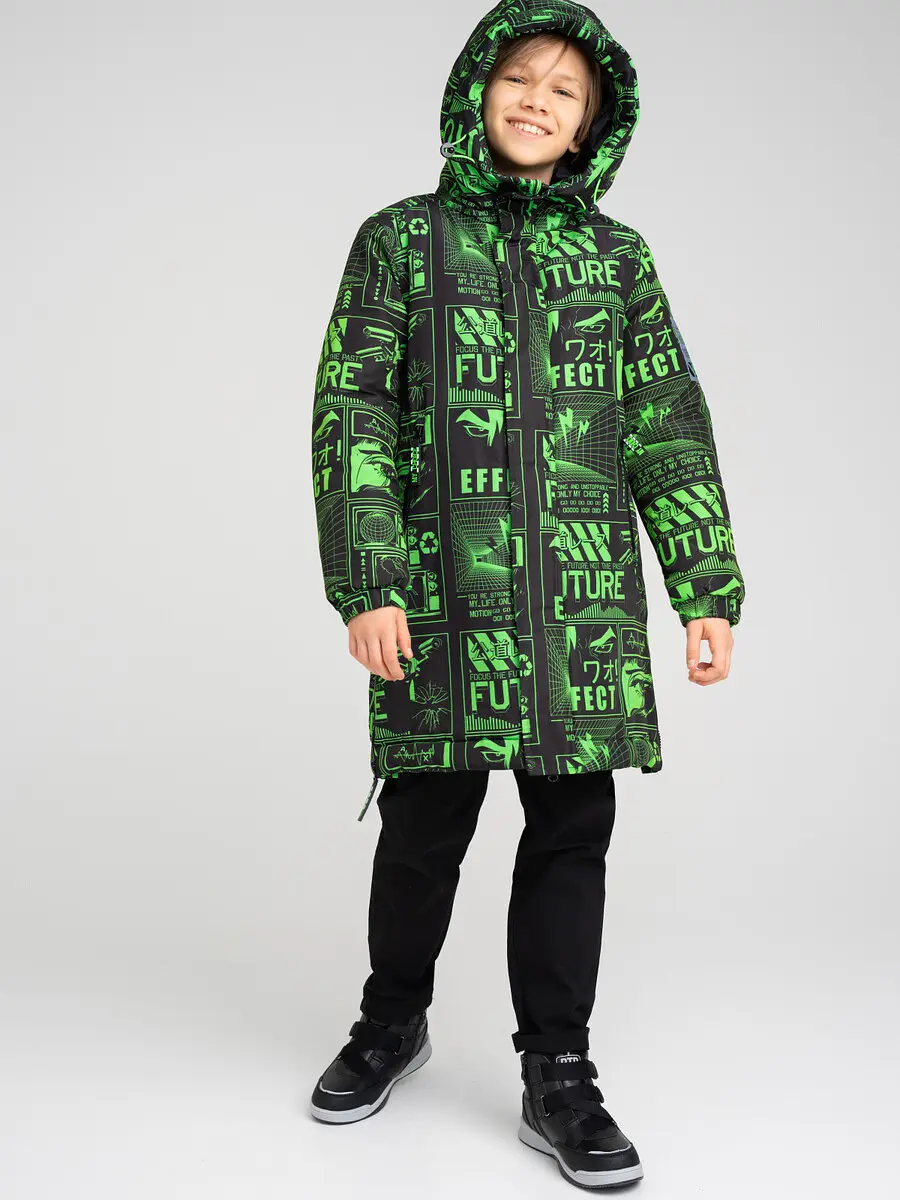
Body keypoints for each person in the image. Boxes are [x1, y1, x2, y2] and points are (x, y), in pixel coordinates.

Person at [308, 0, 745, 1188]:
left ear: (592, 123)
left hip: (581, 616)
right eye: (519, 77)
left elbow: (666, 424)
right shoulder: (400, 241)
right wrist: (368, 581)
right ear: (477, 90)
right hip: (440, 598)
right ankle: (390, 1019)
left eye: (565, 90)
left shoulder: (619, 261)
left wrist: (705, 586)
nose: (537, 101)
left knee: (572, 831)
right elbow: (354, 412)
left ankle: (559, 1070)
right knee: (422, 828)